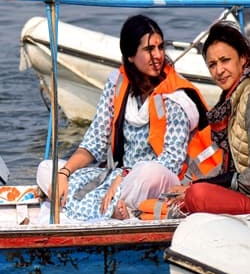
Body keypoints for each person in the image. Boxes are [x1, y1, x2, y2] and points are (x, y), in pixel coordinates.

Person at [36, 14, 219, 222]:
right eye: (149, 49)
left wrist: (125, 177)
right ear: (130, 55)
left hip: (161, 181)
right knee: (46, 169)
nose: (158, 56)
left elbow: (172, 162)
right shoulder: (117, 84)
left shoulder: (176, 96)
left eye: (160, 47)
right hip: (117, 177)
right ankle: (115, 208)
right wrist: (64, 174)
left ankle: (114, 208)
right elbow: (95, 142)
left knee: (148, 172)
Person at [166, 21, 250, 214]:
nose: (219, 71)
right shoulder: (233, 96)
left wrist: (207, 187)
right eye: (212, 65)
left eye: (225, 60)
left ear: (243, 58)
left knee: (197, 195)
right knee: (189, 192)